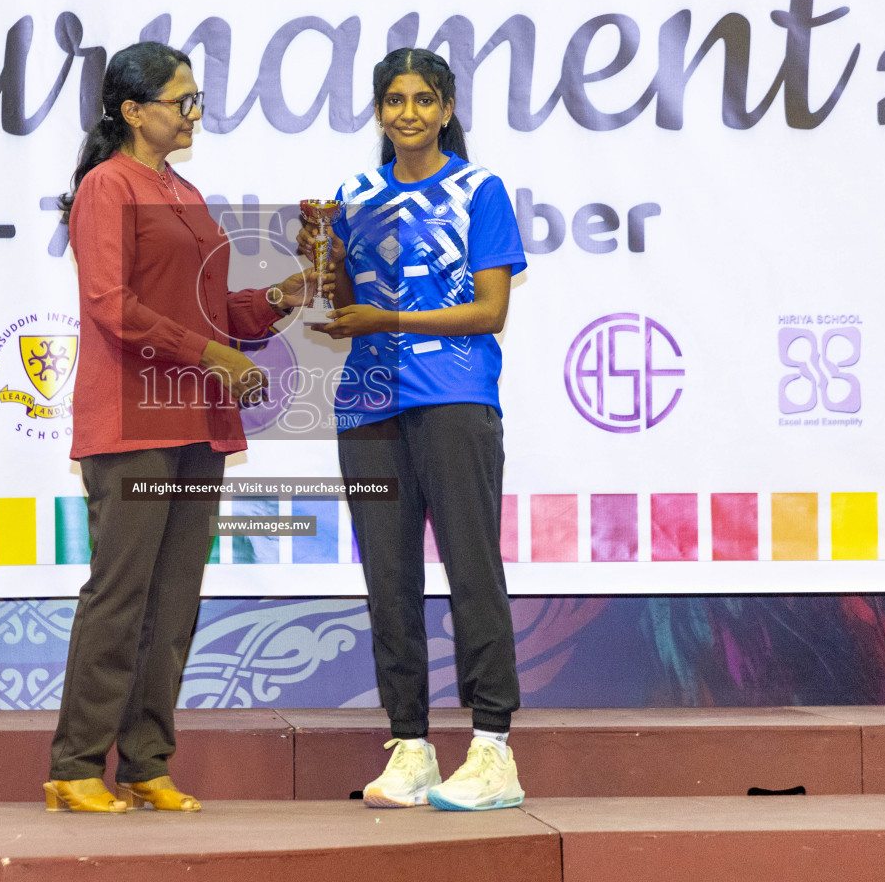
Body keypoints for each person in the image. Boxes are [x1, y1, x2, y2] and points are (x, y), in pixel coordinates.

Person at [46, 42, 312, 813]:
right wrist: (214, 353)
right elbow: (109, 305)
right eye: (181, 99)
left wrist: (277, 301)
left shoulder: (185, 193)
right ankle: (74, 765)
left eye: (196, 99)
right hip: (133, 422)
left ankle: (147, 762)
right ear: (133, 112)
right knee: (121, 597)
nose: (194, 112)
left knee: (174, 606)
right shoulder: (107, 186)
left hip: (195, 420)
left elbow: (209, 307)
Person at [301, 47, 527, 811]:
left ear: (447, 108)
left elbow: (491, 311)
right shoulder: (354, 194)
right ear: (377, 111)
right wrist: (319, 259)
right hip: (368, 404)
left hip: (456, 399)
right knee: (388, 582)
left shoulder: (478, 189)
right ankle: (411, 746)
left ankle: (493, 748)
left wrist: (387, 316)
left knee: (471, 571)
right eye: (393, 99)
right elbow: (338, 299)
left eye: (423, 99)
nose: (408, 113)